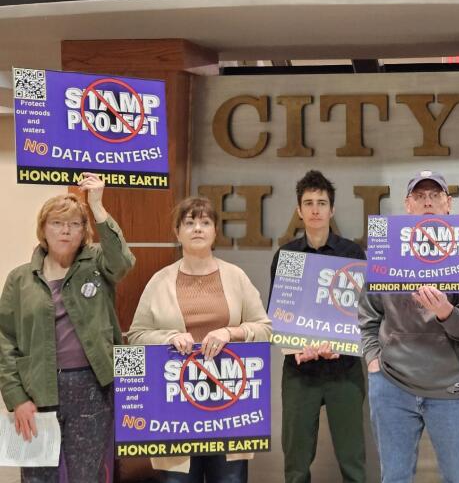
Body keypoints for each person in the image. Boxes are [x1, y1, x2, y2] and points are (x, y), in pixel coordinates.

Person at [359, 170, 459, 483]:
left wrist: (447, 312)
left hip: (451, 387)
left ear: (448, 204)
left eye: (435, 195)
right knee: (393, 477)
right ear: (408, 205)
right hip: (392, 383)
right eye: (420, 196)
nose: (427, 202)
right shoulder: (384, 250)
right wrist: (373, 360)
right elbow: (368, 315)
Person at [0, 173, 135, 482]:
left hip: (91, 387)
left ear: (84, 231)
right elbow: (5, 340)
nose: (65, 231)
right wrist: (16, 397)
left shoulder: (99, 264)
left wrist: (97, 207)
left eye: (75, 224)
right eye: (57, 223)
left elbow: (123, 262)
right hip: (38, 388)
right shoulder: (20, 279)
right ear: (43, 230)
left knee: (86, 474)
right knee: (38, 475)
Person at [127, 196, 271, 483]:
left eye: (205, 222)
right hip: (174, 411)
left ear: (215, 231)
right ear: (177, 232)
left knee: (229, 480)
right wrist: (169, 336)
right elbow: (135, 337)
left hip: (229, 405)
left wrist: (230, 332)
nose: (197, 229)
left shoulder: (236, 277)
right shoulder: (159, 281)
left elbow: (265, 329)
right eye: (189, 222)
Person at [269, 170, 367, 483]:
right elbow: (280, 315)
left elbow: (362, 313)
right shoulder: (287, 255)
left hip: (345, 369)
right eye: (308, 203)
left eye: (321, 203)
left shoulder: (351, 254)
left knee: (353, 461)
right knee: (296, 464)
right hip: (300, 371)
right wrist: (298, 348)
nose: (315, 209)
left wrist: (339, 344)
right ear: (299, 210)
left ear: (331, 210)